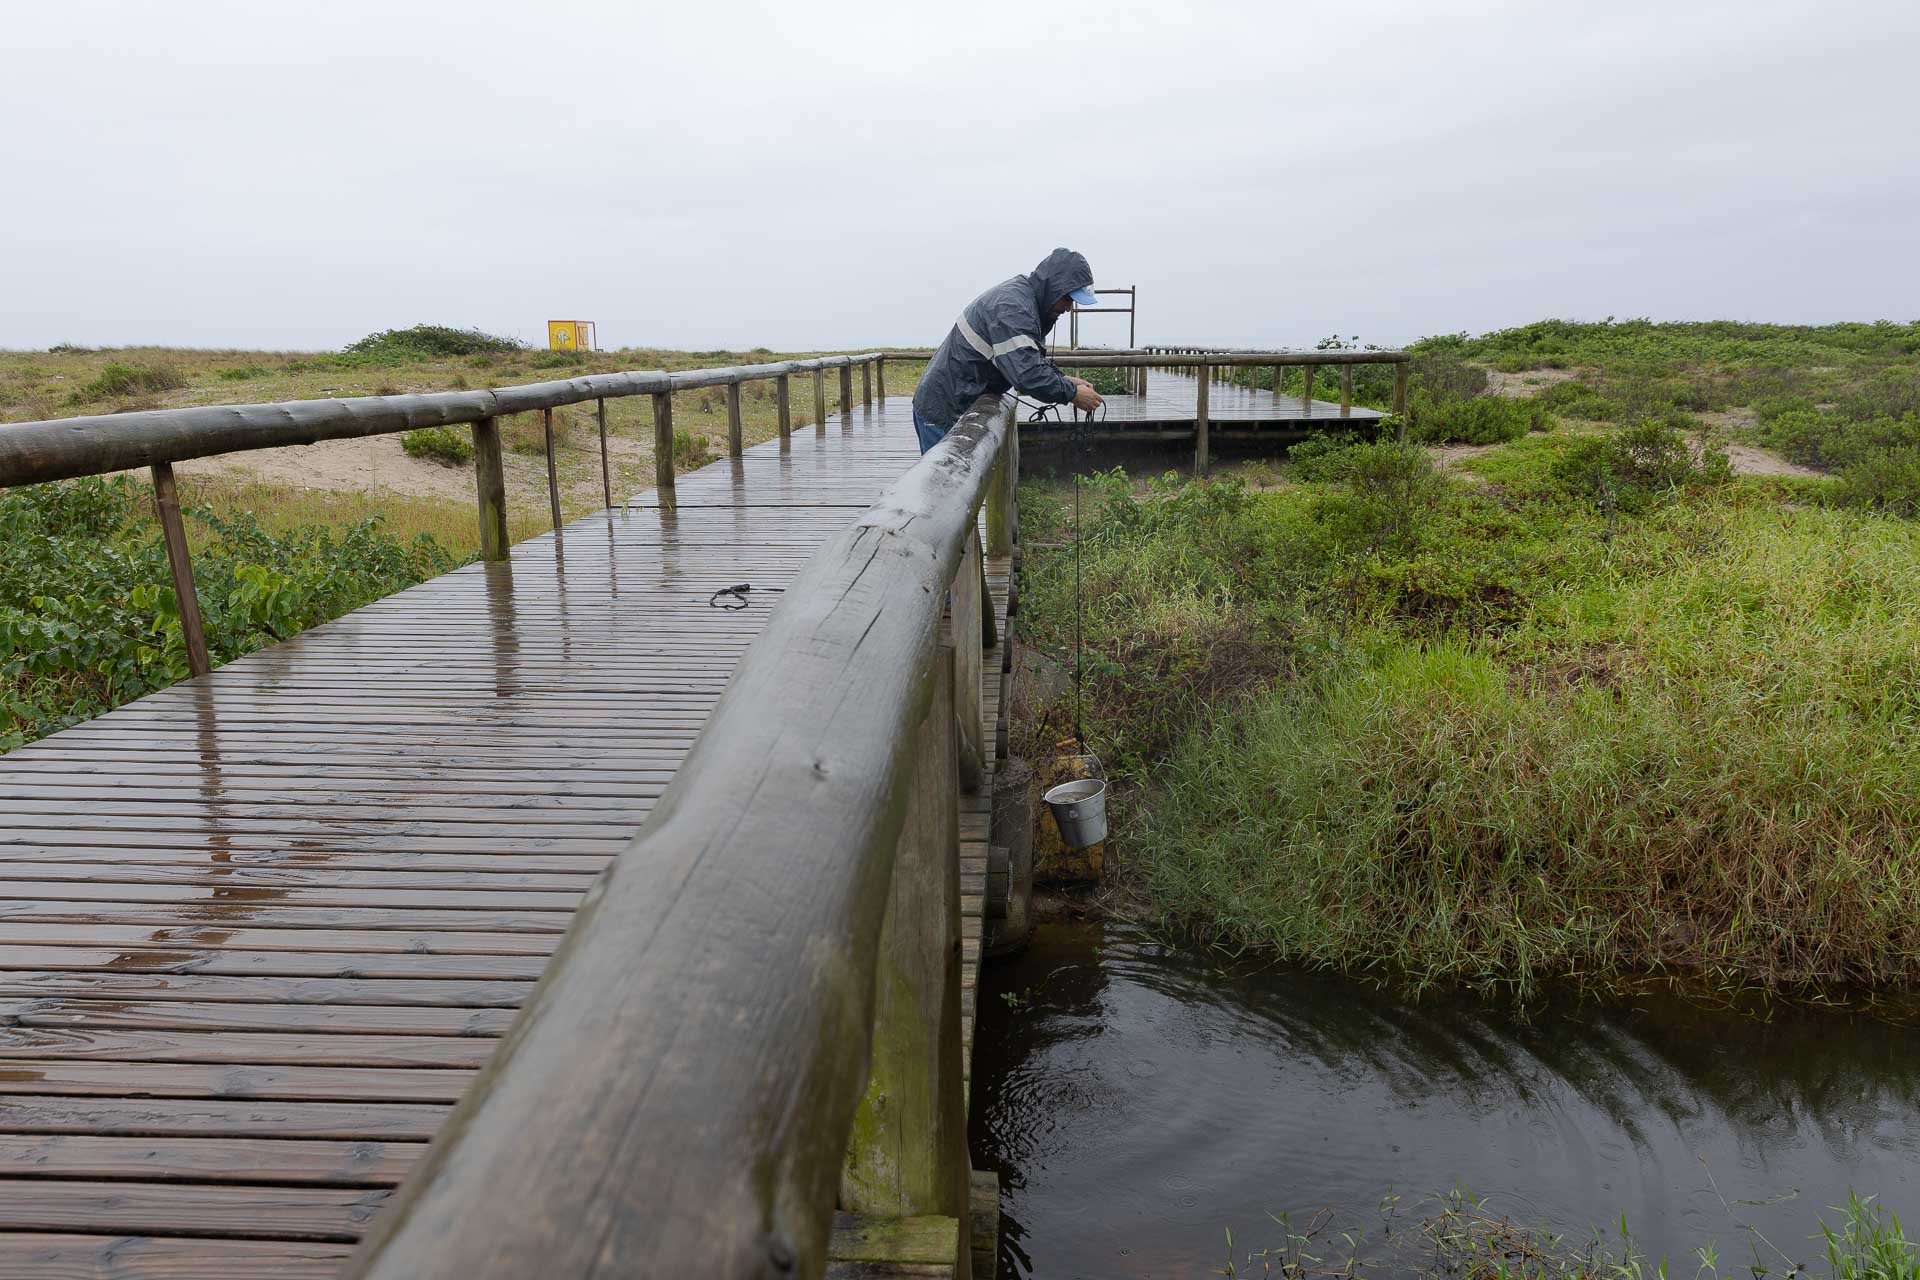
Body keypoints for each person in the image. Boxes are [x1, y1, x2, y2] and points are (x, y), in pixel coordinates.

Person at [911, 248, 1105, 453]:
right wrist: (1072, 393)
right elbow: (1027, 374)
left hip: (961, 402)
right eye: (1068, 298)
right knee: (944, 480)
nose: (1068, 308)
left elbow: (1027, 358)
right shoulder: (1012, 308)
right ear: (1054, 288)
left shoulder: (1026, 301)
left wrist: (1064, 380)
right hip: (944, 408)